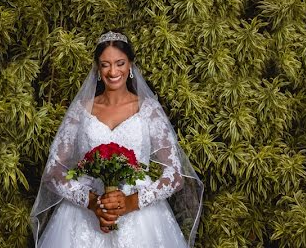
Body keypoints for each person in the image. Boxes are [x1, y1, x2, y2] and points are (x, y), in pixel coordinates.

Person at [30, 30, 204, 247]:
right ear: (97, 68)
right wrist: (92, 202)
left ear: (130, 64)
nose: (113, 71)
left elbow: (175, 174)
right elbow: (53, 170)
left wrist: (131, 202)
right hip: (83, 215)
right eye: (105, 64)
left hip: (141, 218)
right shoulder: (80, 111)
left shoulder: (148, 109)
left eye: (119, 63)